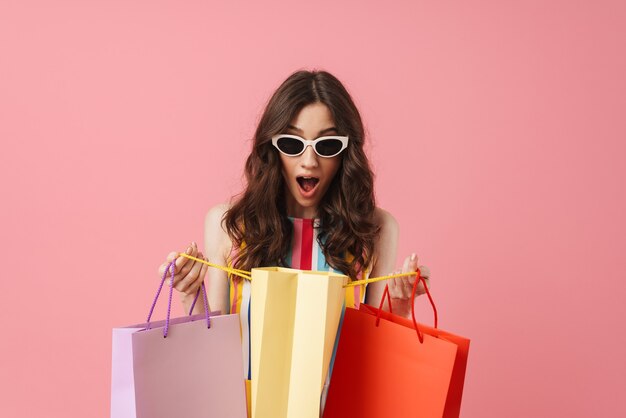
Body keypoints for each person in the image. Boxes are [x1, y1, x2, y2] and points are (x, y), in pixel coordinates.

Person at [157, 69, 431, 405]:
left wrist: (399, 311)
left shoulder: (374, 230)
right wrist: (189, 293)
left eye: (327, 145)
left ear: (347, 152)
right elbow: (214, 351)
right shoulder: (230, 225)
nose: (309, 160)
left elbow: (372, 363)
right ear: (272, 147)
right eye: (292, 143)